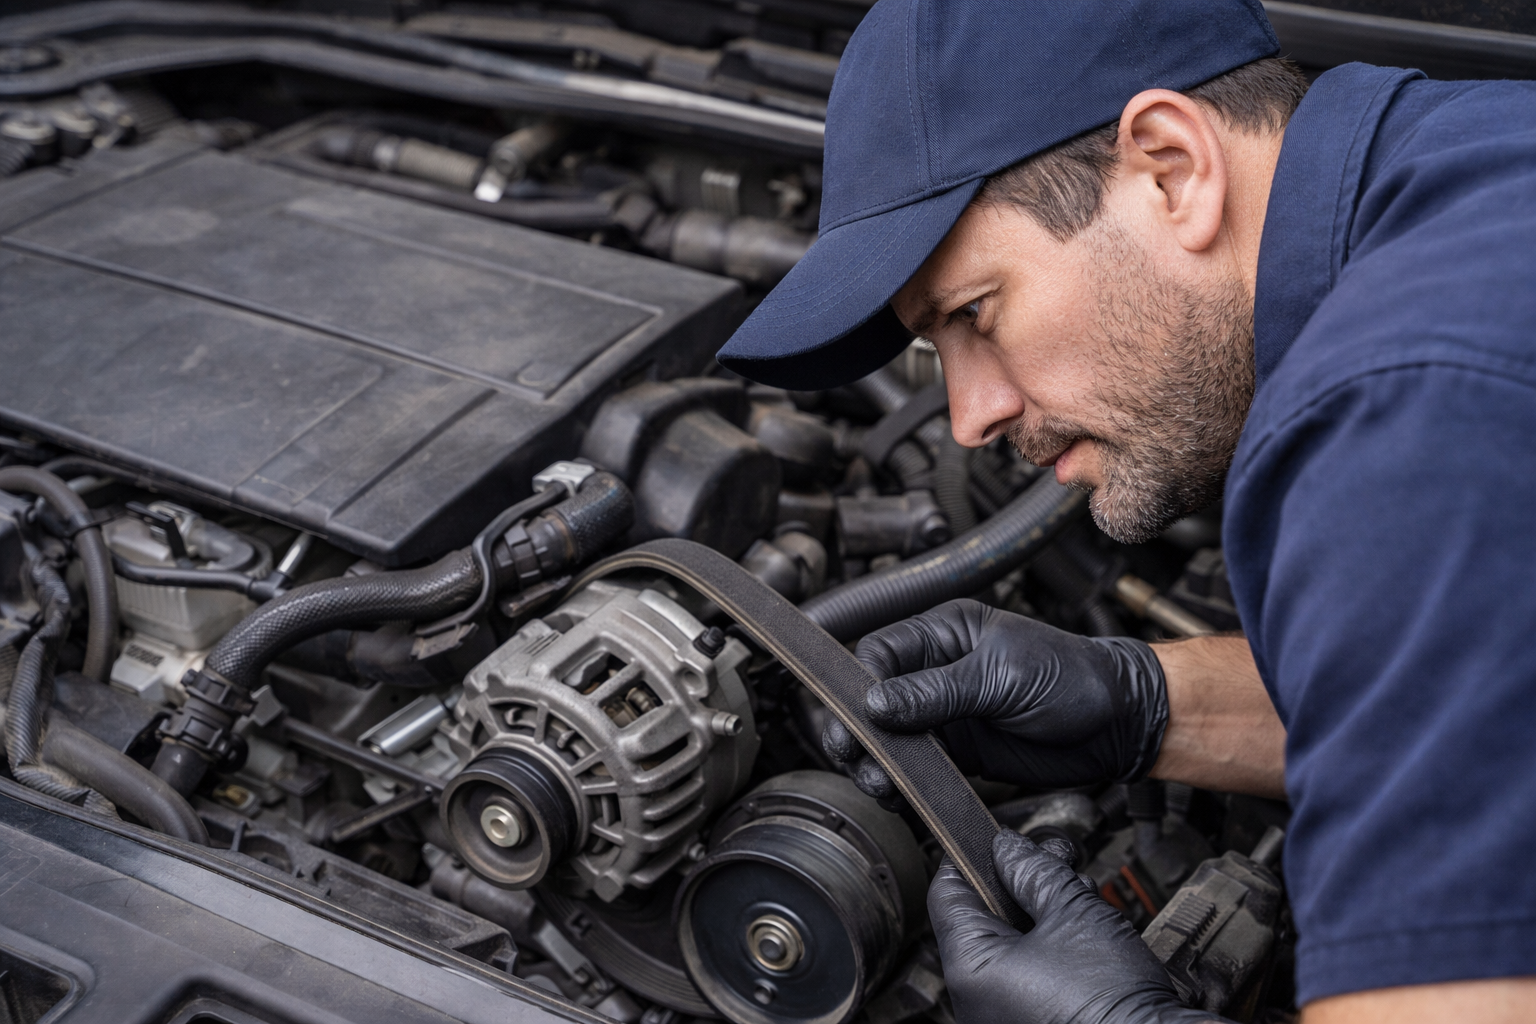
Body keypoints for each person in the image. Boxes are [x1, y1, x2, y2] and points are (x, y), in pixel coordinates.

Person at [714, 2, 1536, 1022]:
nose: (970, 416)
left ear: (1171, 168)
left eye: (976, 314)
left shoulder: (1398, 417)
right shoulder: (1474, 159)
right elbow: (1477, 704)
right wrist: (1144, 702)